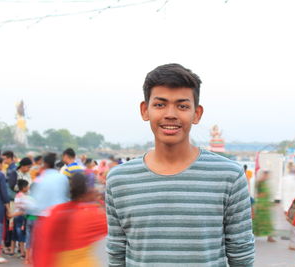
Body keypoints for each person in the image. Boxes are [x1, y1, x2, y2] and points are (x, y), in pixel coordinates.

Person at [106, 63, 255, 266]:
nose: (171, 114)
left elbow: (241, 254)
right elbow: (116, 253)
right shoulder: (119, 180)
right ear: (144, 110)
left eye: (182, 106)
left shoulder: (229, 176)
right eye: (160, 104)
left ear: (197, 114)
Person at [33, 172, 107, 267]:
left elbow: (42, 244)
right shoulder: (91, 214)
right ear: (87, 191)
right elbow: (111, 225)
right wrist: (97, 202)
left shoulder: (55, 212)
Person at [25, 152, 70, 264]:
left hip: (42, 220)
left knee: (42, 254)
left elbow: (33, 204)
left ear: (44, 164)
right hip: (59, 220)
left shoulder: (40, 179)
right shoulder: (62, 178)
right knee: (57, 254)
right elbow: (66, 198)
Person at [282, 163, 295, 250]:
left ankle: (293, 243)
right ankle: (293, 244)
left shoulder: (286, 178)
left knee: (294, 225)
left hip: (289, 204)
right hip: (294, 204)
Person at [8, 179, 29, 258]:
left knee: (14, 234)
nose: (28, 188)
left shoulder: (17, 195)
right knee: (21, 234)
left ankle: (12, 250)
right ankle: (22, 251)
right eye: (27, 186)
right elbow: (22, 210)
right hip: (20, 216)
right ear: (23, 188)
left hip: (16, 216)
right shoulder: (23, 196)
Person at [253, 170, 275, 242]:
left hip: (265, 203)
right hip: (261, 204)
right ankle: (252, 234)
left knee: (268, 221)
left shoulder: (265, 182)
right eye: (266, 175)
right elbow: (257, 193)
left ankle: (270, 237)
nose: (267, 177)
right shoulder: (259, 182)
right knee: (259, 220)